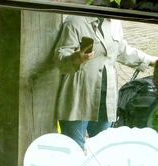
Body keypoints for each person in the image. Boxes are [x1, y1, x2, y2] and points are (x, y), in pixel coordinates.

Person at [54, 16, 158, 152]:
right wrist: (74, 58)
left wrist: (150, 60)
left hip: (105, 95)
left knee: (104, 149)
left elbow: (121, 50)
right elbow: (60, 56)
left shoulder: (114, 21)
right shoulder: (75, 21)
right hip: (79, 94)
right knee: (74, 148)